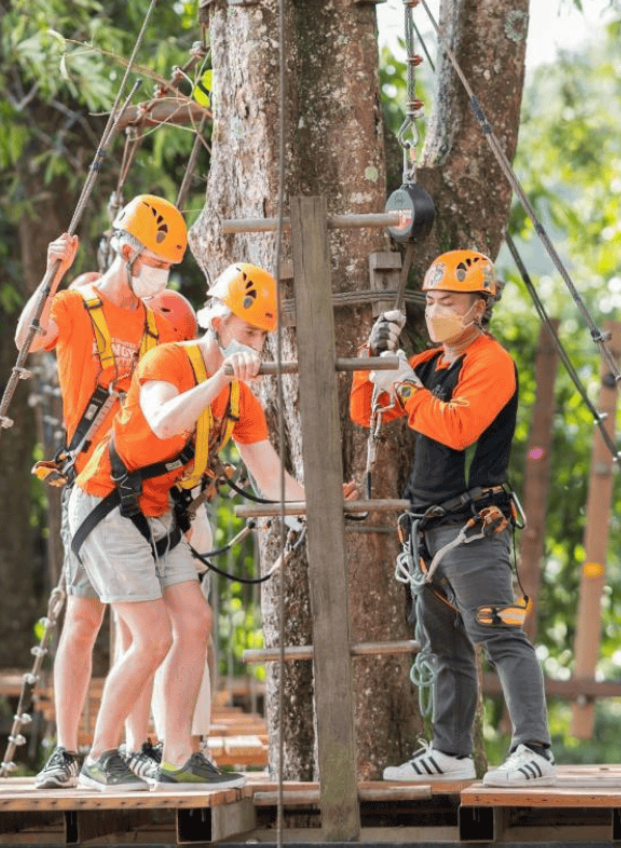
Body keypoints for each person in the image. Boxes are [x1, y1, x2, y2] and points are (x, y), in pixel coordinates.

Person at [68, 263, 350, 791]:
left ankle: (178, 755)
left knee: (194, 621)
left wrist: (322, 506)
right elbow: (162, 421)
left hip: (157, 512)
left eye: (262, 336)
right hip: (106, 503)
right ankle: (99, 756)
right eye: (247, 332)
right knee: (152, 636)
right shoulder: (168, 360)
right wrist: (218, 377)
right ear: (217, 322)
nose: (256, 345)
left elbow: (271, 478)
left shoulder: (241, 399)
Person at [349, 249, 556, 787]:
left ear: (479, 307)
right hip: (426, 528)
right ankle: (450, 751)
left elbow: (458, 428)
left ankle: (535, 748)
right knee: (444, 645)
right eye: (433, 300)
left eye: (450, 301)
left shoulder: (490, 362)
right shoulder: (428, 364)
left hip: (471, 524)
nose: (437, 309)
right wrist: (374, 357)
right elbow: (362, 410)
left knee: (499, 636)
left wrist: (407, 387)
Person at [15, 194, 190, 789]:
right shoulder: (75, 305)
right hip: (91, 491)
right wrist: (50, 272)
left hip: (139, 491)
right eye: (156, 263)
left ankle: (123, 746)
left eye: (168, 267)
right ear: (126, 252)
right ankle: (73, 753)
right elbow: (26, 338)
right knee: (87, 620)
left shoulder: (156, 324)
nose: (161, 276)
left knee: (129, 624)